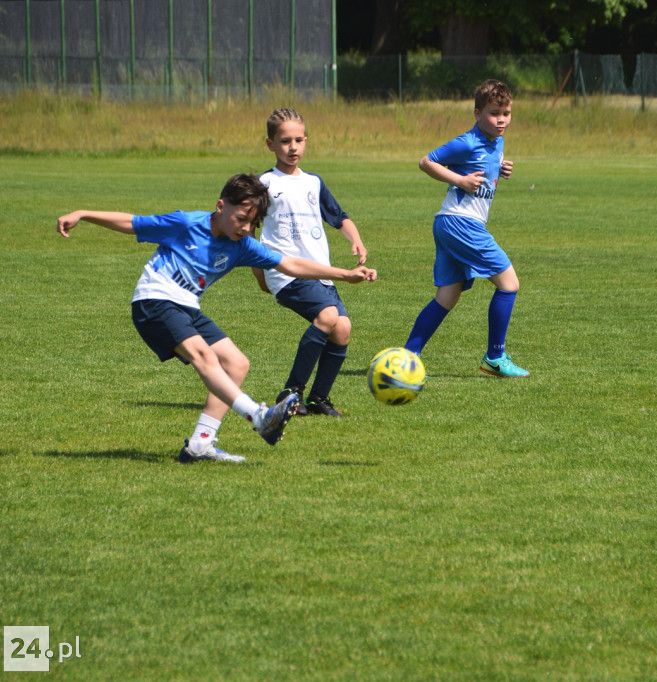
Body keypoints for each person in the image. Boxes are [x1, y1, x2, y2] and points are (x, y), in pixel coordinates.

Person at [56, 173, 377, 464]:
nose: (245, 228)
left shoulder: (243, 245)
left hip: (186, 307)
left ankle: (201, 443)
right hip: (154, 300)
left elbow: (290, 265)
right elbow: (132, 223)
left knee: (237, 363)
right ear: (221, 206)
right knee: (205, 357)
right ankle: (258, 416)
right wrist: (83, 214)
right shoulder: (186, 223)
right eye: (241, 219)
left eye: (252, 223)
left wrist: (344, 274)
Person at [404, 79, 529, 378]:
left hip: (450, 223)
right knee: (509, 284)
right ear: (477, 113)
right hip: (461, 223)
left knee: (447, 296)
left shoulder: (497, 141)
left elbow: (485, 165)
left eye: (506, 113)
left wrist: (500, 168)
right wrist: (459, 180)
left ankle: (406, 357)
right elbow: (426, 162)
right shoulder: (468, 141)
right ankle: (495, 357)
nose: (501, 120)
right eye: (493, 113)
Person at [252, 108, 369, 417]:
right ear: (270, 144)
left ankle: (319, 398)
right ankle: (290, 393)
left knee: (342, 328)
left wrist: (355, 239)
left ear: (306, 140)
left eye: (299, 140)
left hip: (320, 272)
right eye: (285, 141)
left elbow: (339, 217)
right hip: (286, 272)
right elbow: (246, 230)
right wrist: (259, 272)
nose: (293, 147)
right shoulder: (264, 183)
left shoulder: (314, 183)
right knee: (328, 316)